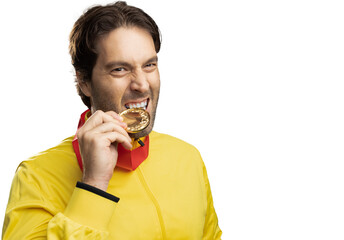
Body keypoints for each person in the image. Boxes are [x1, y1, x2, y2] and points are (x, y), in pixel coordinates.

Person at [2, 1, 222, 239]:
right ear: (84, 81)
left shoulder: (187, 157)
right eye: (119, 69)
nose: (142, 84)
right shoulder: (35, 177)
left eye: (149, 65)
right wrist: (94, 183)